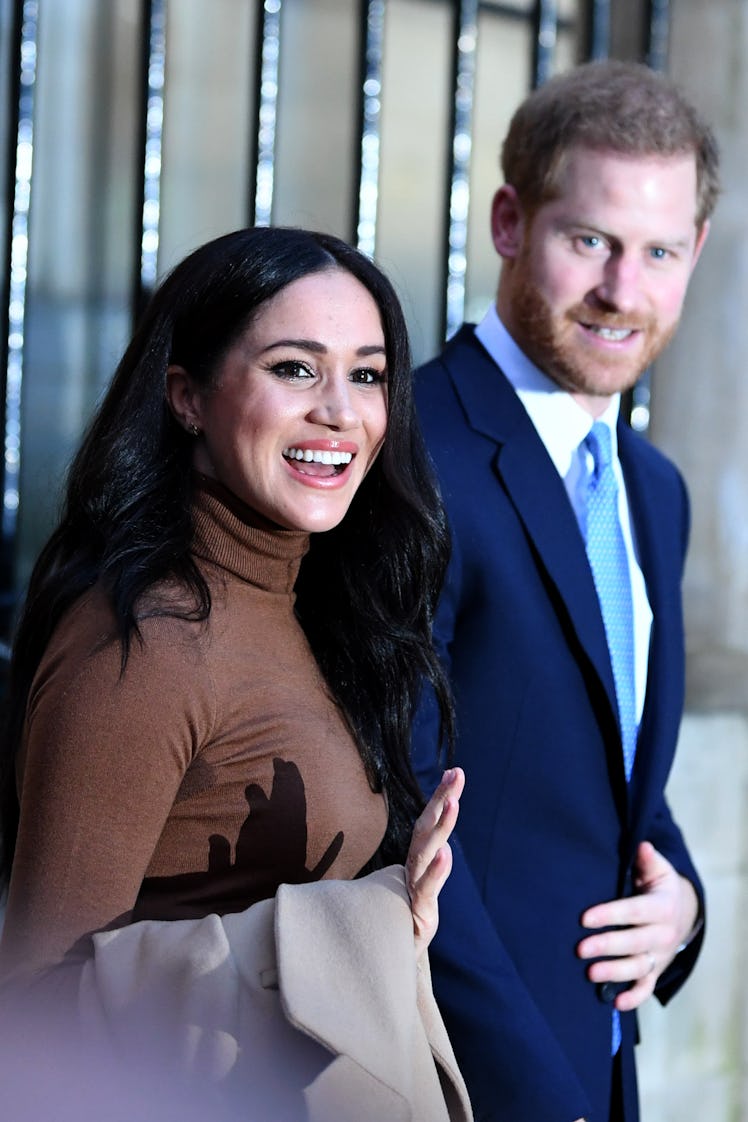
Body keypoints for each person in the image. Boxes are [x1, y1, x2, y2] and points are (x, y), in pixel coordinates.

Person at [0, 226, 471, 1121]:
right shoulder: (151, 643)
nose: (339, 410)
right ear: (187, 396)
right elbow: (33, 1009)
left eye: (367, 375)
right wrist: (346, 934)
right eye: (295, 368)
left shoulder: (309, 603)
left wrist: (384, 921)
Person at [411, 59, 719, 1122]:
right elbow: (384, 809)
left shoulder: (651, 488)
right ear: (508, 221)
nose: (620, 292)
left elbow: (595, 754)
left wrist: (679, 901)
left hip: (598, 1063)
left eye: (658, 252)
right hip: (451, 1075)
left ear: (697, 254)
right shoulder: (409, 452)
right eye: (586, 239)